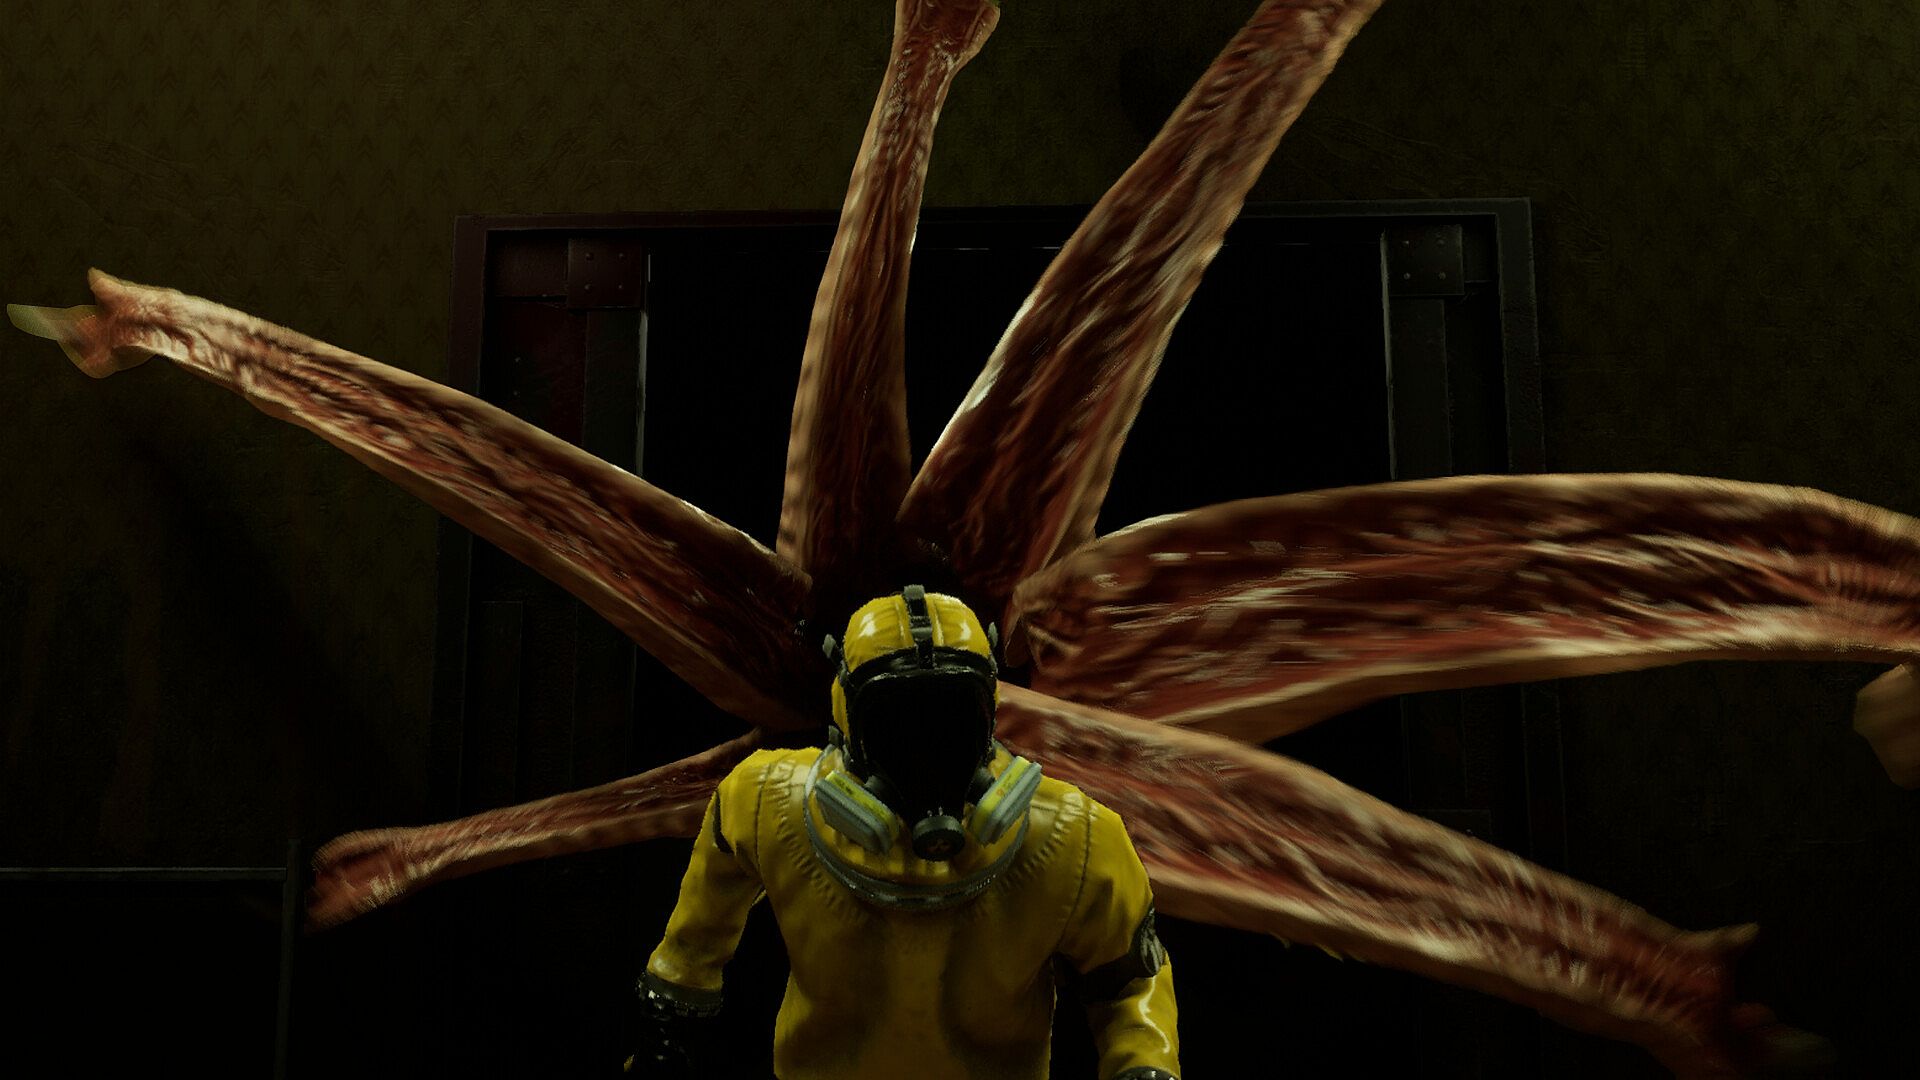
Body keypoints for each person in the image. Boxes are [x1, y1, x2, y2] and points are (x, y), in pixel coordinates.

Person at [627, 585, 1181, 1079]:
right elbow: (690, 948)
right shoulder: (765, 804)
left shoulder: (1072, 837)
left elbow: (1132, 982)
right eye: (897, 722)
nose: (927, 751)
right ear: (847, 717)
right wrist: (665, 1036)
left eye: (951, 721)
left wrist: (1144, 1061)